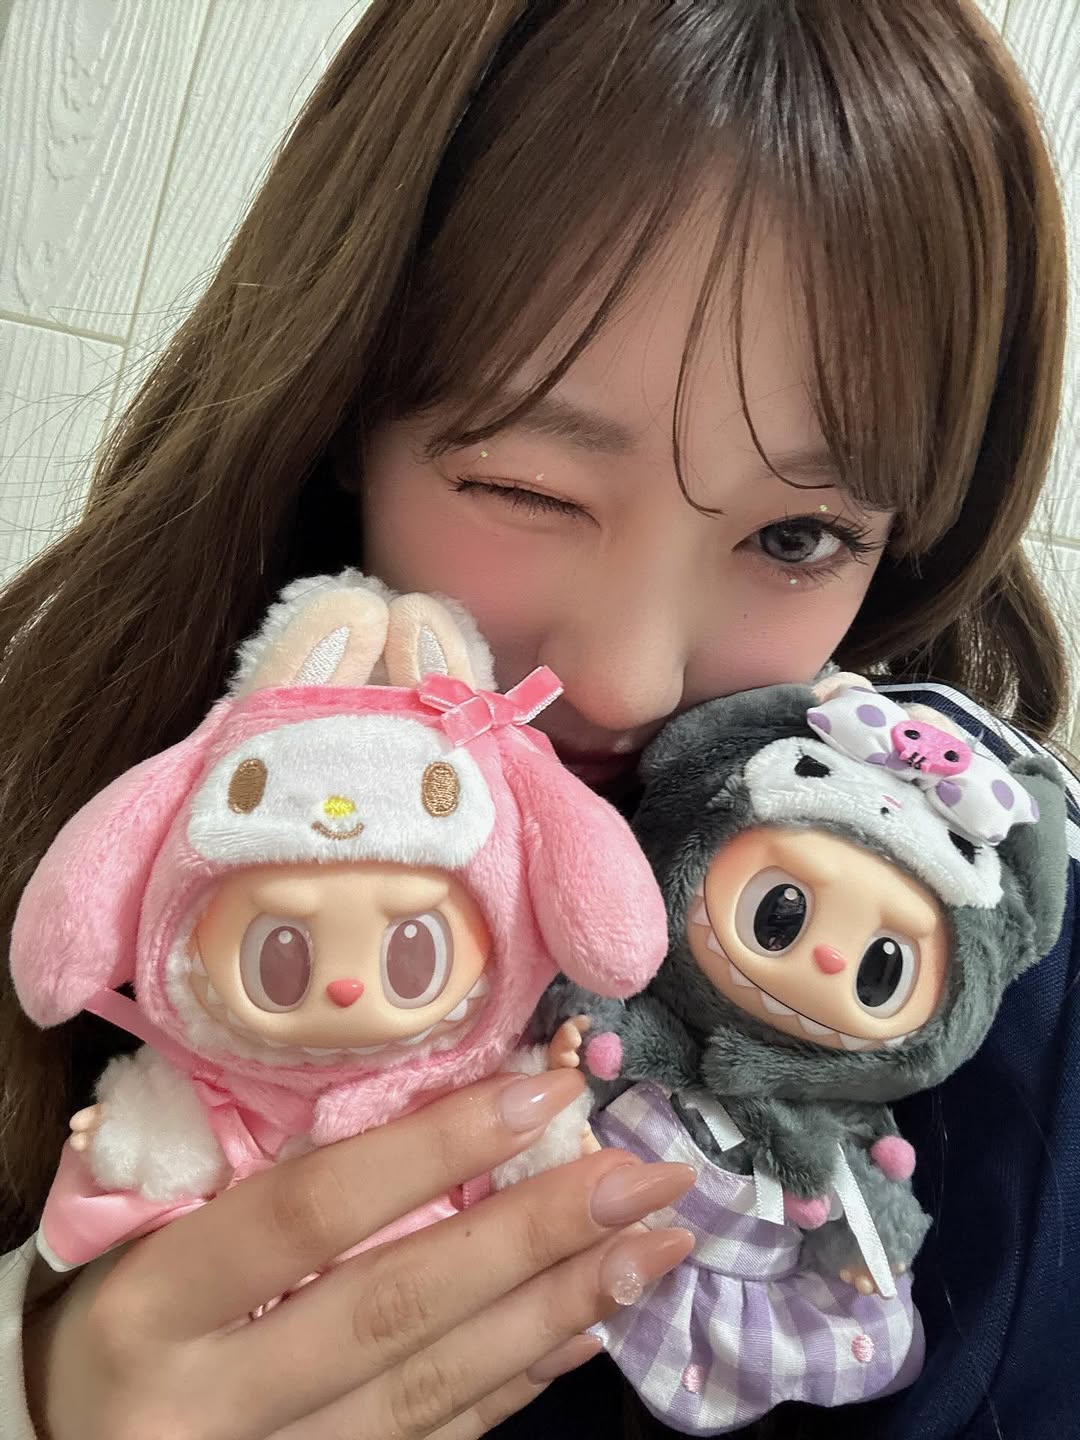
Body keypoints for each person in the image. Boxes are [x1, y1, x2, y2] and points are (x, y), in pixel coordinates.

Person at [0, 2, 1074, 1437]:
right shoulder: (68, 791)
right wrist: (33, 1387)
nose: (628, 682)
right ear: (342, 408)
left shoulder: (1004, 979)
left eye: (802, 537)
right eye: (525, 488)